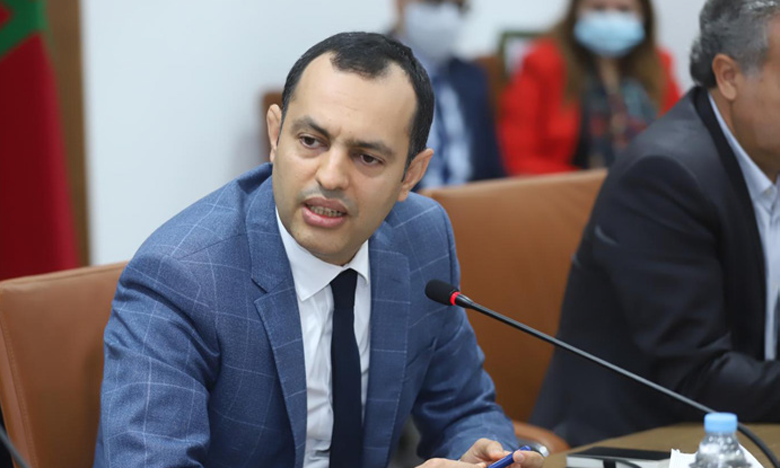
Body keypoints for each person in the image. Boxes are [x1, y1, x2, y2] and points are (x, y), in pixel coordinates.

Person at [92, 32, 544, 468]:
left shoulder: (421, 238)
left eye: (367, 157)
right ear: (275, 136)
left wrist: (488, 457)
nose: (330, 176)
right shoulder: (181, 280)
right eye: (311, 141)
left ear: (410, 174)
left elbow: (466, 408)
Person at [531, 0, 780, 446]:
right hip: (633, 441)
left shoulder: (765, 154)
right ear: (729, 76)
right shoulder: (664, 176)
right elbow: (699, 380)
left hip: (745, 428)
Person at [499, 0, 681, 175]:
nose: (611, 19)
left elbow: (680, 140)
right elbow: (519, 159)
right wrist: (589, 185)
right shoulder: (542, 62)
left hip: (648, 190)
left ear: (644, 15)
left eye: (624, 9)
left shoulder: (659, 64)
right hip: (572, 191)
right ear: (576, 11)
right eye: (598, 8)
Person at [391, 0, 505, 189]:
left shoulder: (474, 77)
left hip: (470, 202)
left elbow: (494, 172)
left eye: (458, 6)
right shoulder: (367, 73)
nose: (447, 15)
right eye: (434, 3)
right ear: (399, 3)